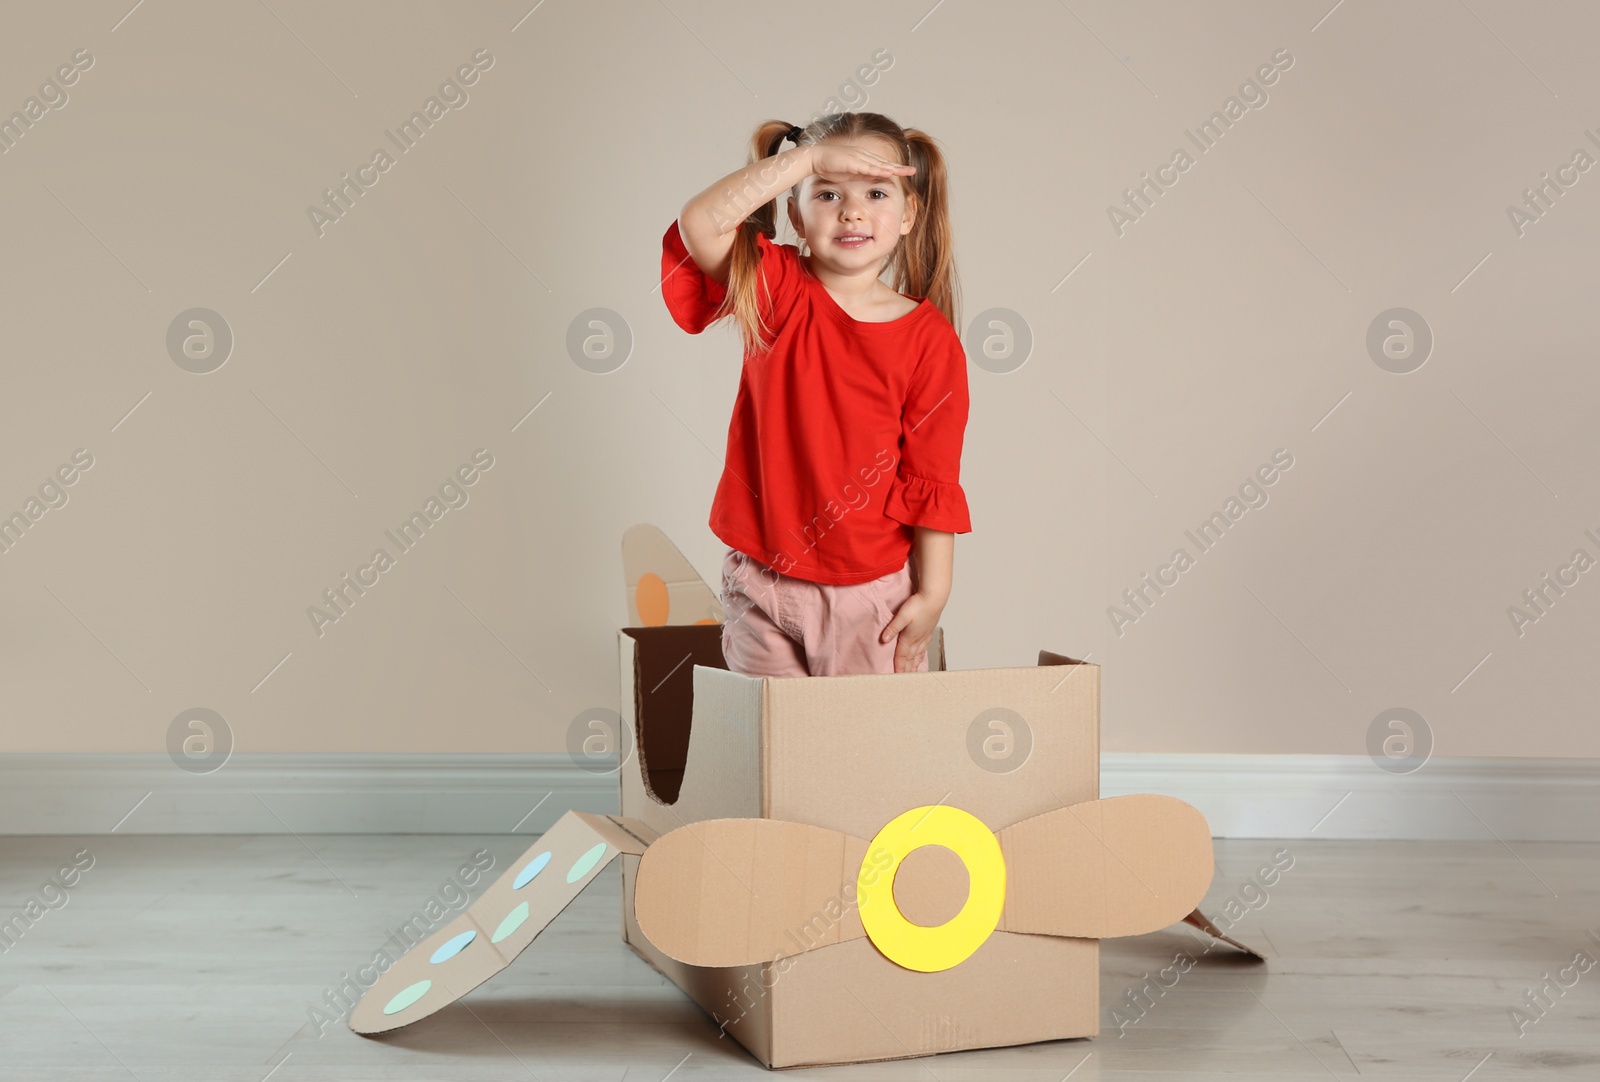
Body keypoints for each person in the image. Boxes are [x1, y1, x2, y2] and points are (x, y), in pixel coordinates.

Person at [661, 111, 971, 678]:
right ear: (796, 218)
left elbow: (932, 477)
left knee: (862, 752)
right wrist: (804, 160)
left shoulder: (930, 340)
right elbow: (700, 224)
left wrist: (934, 593)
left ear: (908, 215)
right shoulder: (774, 287)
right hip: (760, 577)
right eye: (827, 193)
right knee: (771, 748)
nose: (851, 210)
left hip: (869, 592)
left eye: (876, 192)